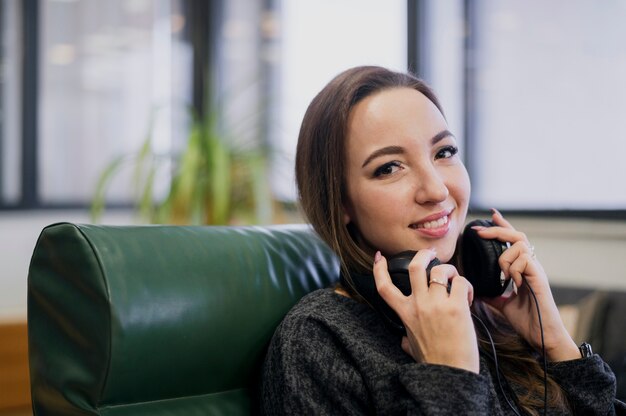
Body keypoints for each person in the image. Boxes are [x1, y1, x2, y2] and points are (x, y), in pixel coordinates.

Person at [261, 66, 625, 415]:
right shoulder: (318, 340)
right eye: (389, 167)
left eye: (444, 152)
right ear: (340, 202)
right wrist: (451, 374)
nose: (436, 189)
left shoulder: (482, 310)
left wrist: (556, 344)